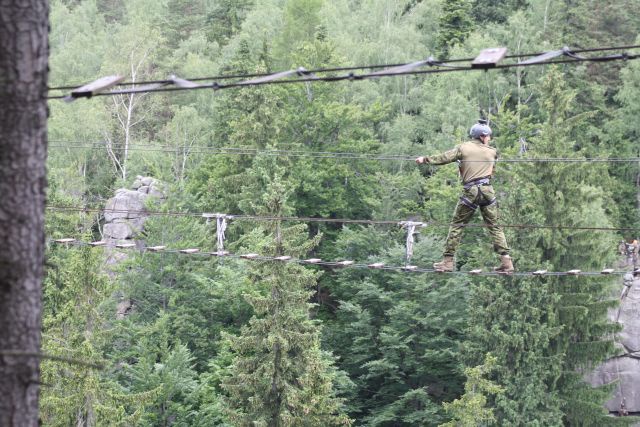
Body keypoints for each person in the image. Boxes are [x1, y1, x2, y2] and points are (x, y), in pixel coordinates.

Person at [416, 119, 513, 273]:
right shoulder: (493, 152)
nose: (489, 139)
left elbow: (445, 157)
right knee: (494, 226)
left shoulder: (464, 148)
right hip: (488, 191)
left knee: (457, 224)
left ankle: (447, 262)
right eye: (488, 136)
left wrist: (425, 159)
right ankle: (507, 263)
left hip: (471, 191)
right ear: (482, 136)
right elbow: (491, 171)